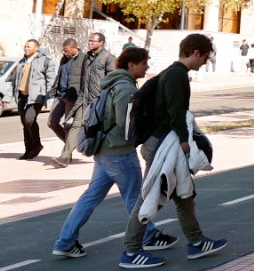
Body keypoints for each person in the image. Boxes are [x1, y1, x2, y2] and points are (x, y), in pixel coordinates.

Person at [52, 47, 177, 258]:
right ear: (131, 65)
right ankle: (148, 236)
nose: (146, 67)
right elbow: (125, 123)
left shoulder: (111, 84)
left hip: (104, 151)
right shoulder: (126, 89)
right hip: (120, 152)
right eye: (144, 63)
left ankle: (65, 242)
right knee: (135, 198)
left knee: (90, 197)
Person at [120, 34, 227, 268]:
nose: (205, 62)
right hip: (163, 144)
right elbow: (176, 111)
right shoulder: (177, 75)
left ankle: (196, 241)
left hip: (162, 142)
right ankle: (131, 251)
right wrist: (184, 140)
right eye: (205, 57)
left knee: (184, 195)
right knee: (150, 195)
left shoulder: (172, 72)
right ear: (195, 53)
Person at [54, 32, 115, 168]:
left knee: (99, 128)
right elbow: (83, 78)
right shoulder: (87, 57)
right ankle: (65, 156)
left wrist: (105, 97)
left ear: (101, 43)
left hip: (99, 99)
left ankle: (104, 155)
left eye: (93, 41)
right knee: (76, 124)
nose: (90, 43)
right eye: (89, 41)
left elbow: (112, 80)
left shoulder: (108, 58)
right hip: (84, 98)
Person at [12, 39, 56, 160]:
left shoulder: (46, 61)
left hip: (37, 96)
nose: (26, 49)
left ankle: (37, 145)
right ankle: (28, 150)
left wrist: (49, 97)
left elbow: (51, 81)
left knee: (29, 119)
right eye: (25, 46)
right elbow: (13, 80)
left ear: (36, 48)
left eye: (29, 47)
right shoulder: (21, 62)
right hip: (22, 96)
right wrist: (7, 97)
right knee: (25, 124)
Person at [47, 38, 80, 155]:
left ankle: (66, 154)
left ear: (75, 48)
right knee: (52, 122)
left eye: (68, 51)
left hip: (71, 96)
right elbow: (59, 76)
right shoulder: (64, 59)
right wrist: (53, 92)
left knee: (68, 125)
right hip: (60, 95)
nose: (66, 53)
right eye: (64, 51)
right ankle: (69, 144)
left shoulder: (82, 59)